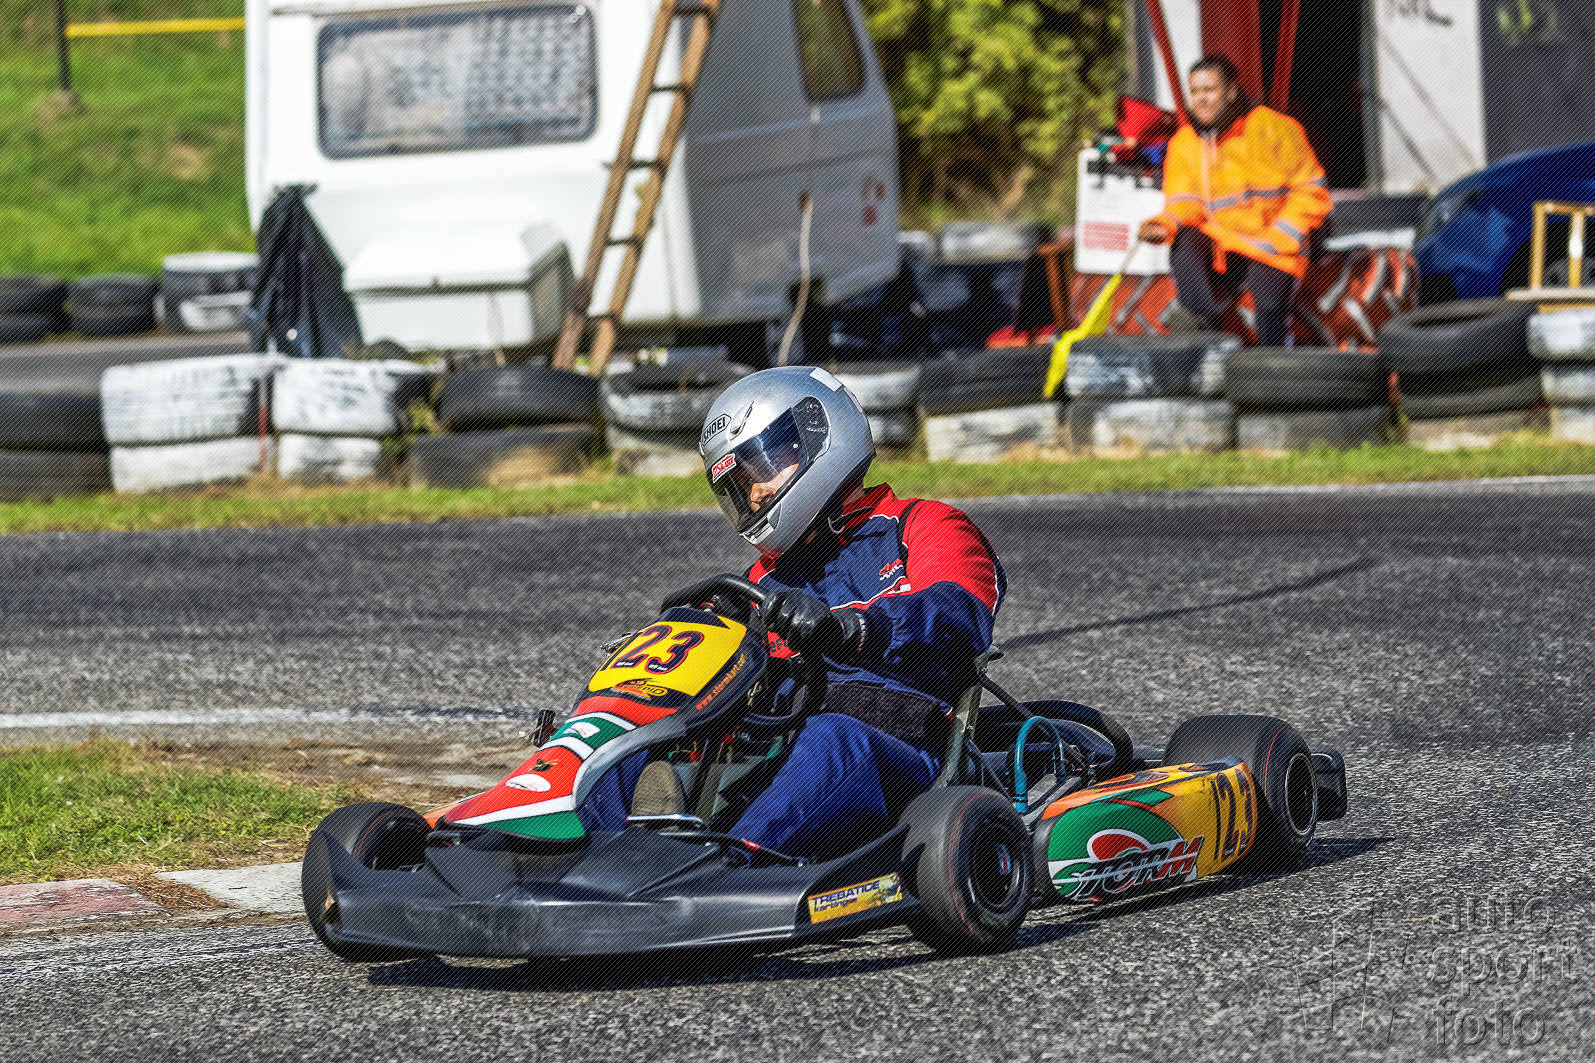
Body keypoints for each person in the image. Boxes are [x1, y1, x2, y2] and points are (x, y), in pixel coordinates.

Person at [585, 365, 1005, 861]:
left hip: (897, 748)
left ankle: (724, 868)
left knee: (830, 737)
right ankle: (578, 852)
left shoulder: (922, 524)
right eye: (740, 484)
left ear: (816, 434)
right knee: (630, 729)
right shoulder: (759, 581)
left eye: (761, 468)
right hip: (776, 746)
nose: (755, 493)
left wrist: (852, 627)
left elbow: (958, 611)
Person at [1138, 54, 1332, 347]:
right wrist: (1163, 224)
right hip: (1224, 246)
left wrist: (1279, 238)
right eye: (1195, 91)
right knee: (1183, 243)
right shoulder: (1184, 143)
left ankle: (1275, 364)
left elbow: (1311, 191)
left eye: (1209, 90)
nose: (1200, 99)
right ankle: (1202, 332)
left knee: (1269, 310)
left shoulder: (1276, 128)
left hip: (1274, 246)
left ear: (1231, 92)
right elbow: (1184, 203)